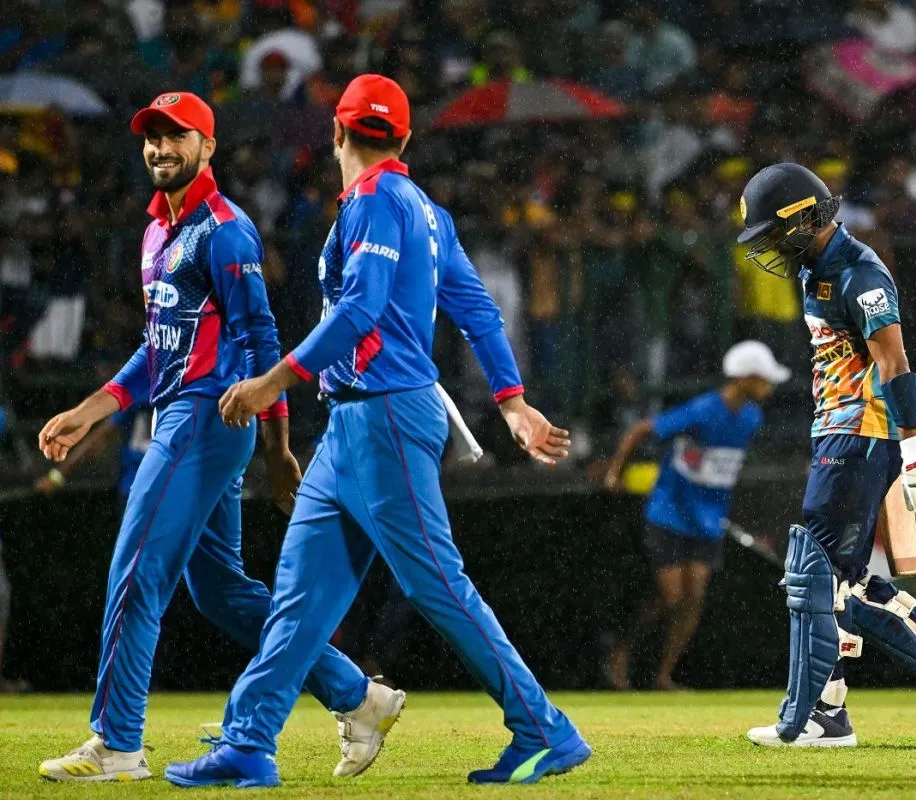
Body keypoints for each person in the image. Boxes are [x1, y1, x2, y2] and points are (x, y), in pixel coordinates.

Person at [164, 75, 591, 789]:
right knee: (300, 596)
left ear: (336, 132)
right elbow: (477, 309)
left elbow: (360, 311)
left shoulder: (374, 202)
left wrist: (274, 382)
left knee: (438, 585)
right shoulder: (425, 209)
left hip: (386, 415)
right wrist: (512, 401)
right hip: (358, 421)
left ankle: (546, 728)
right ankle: (248, 742)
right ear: (405, 138)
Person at [36, 92, 403, 783]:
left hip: (207, 419)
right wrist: (94, 409)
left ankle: (116, 745)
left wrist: (279, 450)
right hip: (182, 416)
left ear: (208, 147)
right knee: (221, 593)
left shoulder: (225, 231)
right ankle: (359, 696)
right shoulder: (156, 233)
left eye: (177, 137)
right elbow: (158, 349)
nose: (160, 149)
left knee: (136, 573)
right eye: (151, 138)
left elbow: (261, 340)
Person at [735, 163, 916, 747]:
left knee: (819, 578)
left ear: (806, 217)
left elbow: (895, 363)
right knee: (835, 581)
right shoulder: (816, 270)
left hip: (864, 432)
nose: (773, 248)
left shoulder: (859, 273)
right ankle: (842, 704)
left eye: (775, 232)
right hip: (838, 430)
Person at [602, 341, 789, 691]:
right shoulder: (703, 410)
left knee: (693, 598)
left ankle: (663, 675)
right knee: (672, 597)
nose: (770, 387)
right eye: (764, 379)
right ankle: (622, 651)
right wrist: (615, 473)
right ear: (746, 378)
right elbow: (642, 430)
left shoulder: (751, 418)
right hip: (670, 514)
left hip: (707, 522)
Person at [33, 402, 152, 509]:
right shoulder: (147, 391)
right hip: (152, 490)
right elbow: (102, 436)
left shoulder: (142, 389)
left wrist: (57, 476)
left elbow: (102, 436)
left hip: (137, 489)